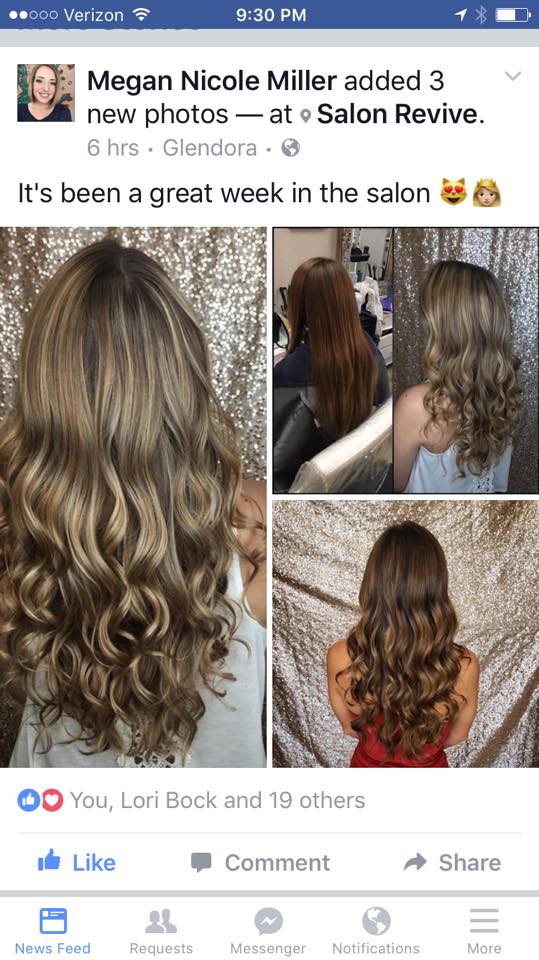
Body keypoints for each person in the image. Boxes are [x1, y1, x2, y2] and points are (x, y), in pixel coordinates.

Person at [0, 239, 266, 767]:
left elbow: (23, 674)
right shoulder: (255, 523)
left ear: (45, 389)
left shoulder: (19, 527)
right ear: (185, 376)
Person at [327, 522, 479, 768]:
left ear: (373, 582)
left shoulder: (340, 655)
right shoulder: (464, 665)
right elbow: (458, 735)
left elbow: (349, 726)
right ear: (436, 585)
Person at [394, 260, 522, 493]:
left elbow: (396, 483)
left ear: (440, 324)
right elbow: (498, 483)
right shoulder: (503, 391)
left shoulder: (418, 404)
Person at [273, 257, 390, 493]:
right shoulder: (368, 348)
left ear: (299, 307)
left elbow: (277, 468)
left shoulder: (288, 375)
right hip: (357, 472)